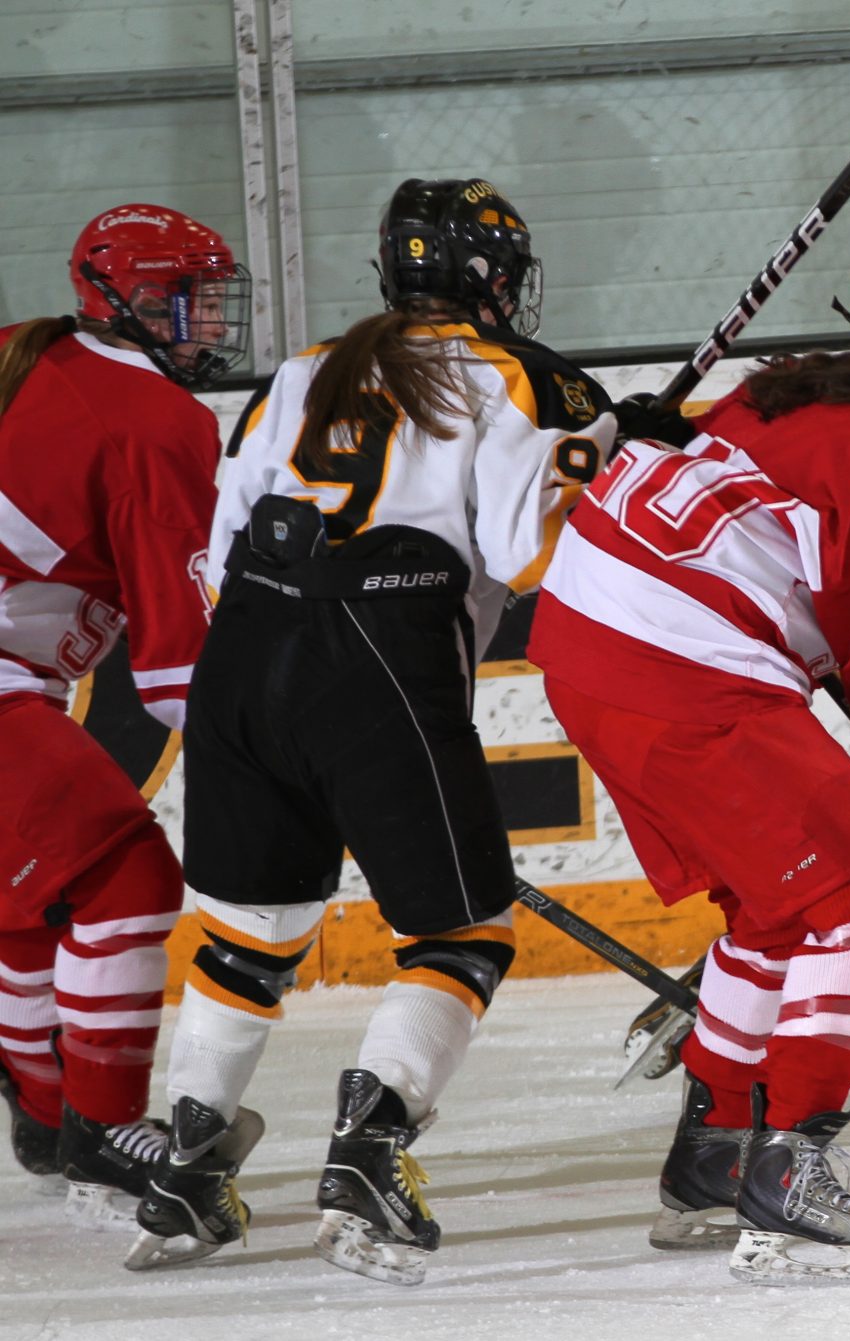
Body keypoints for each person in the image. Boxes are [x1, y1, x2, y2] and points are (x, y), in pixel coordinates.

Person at [128, 178, 614, 1283]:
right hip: (384, 656)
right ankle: (367, 1149)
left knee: (252, 932)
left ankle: (188, 1170)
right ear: (494, 278)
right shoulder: (530, 381)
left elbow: (221, 543)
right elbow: (524, 552)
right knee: (462, 935)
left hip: (245, 655)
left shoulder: (304, 369)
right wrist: (596, 464)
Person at [529, 233, 850, 1285]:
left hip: (588, 635)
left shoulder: (784, 389)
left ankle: (713, 1156)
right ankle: (790, 1166)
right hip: (677, 663)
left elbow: (845, 611)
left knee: (781, 905)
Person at [0, 205, 244, 1224]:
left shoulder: (28, 351)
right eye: (190, 304)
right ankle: (100, 1127)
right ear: (132, 300)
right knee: (126, 874)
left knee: (32, 893)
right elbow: (177, 670)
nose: (208, 329)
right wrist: (273, 743)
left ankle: (47, 1108)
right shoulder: (154, 419)